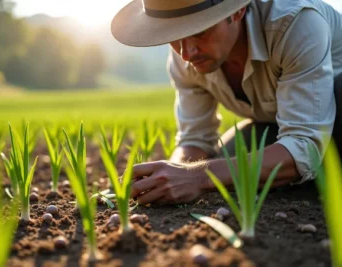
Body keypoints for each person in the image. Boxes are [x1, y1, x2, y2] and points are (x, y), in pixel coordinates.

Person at [111, 0, 342, 204]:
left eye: (199, 30)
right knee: (227, 157)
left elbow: (305, 146)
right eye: (173, 35)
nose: (186, 53)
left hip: (331, 117)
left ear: (237, 10)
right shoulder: (186, 57)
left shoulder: (295, 24)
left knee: (215, 172)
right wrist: (171, 174)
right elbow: (195, 139)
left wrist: (197, 177)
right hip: (280, 126)